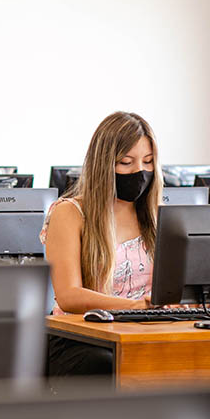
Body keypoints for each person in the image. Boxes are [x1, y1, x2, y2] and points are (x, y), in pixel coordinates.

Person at [40, 111, 162, 375]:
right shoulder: (69, 212)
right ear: (104, 164)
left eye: (148, 161)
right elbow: (69, 295)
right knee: (111, 365)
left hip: (144, 332)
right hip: (82, 339)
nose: (139, 171)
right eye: (126, 162)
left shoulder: (156, 215)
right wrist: (134, 308)